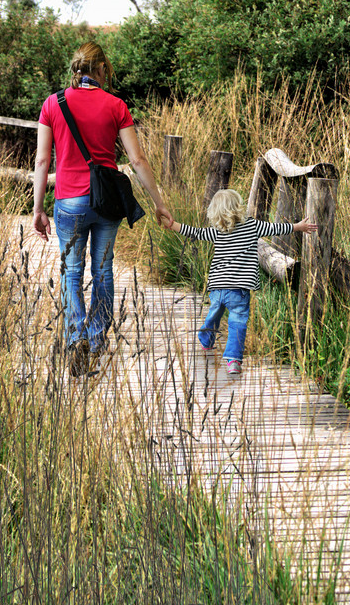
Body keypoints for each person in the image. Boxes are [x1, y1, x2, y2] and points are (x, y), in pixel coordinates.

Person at [31, 41, 172, 375]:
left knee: (72, 272)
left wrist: (38, 209)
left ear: (77, 70)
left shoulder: (53, 104)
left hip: (69, 202)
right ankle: (96, 339)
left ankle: (75, 336)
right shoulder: (116, 105)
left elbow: (41, 159)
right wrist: (159, 203)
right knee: (103, 270)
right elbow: (136, 159)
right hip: (106, 202)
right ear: (102, 69)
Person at [163, 189, 314, 377]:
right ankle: (233, 360)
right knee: (238, 321)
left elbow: (195, 232)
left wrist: (173, 224)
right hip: (239, 288)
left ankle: (206, 338)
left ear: (215, 212)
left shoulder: (217, 231)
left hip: (217, 285)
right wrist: (297, 227)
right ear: (238, 207)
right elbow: (275, 228)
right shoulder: (252, 226)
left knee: (214, 312)